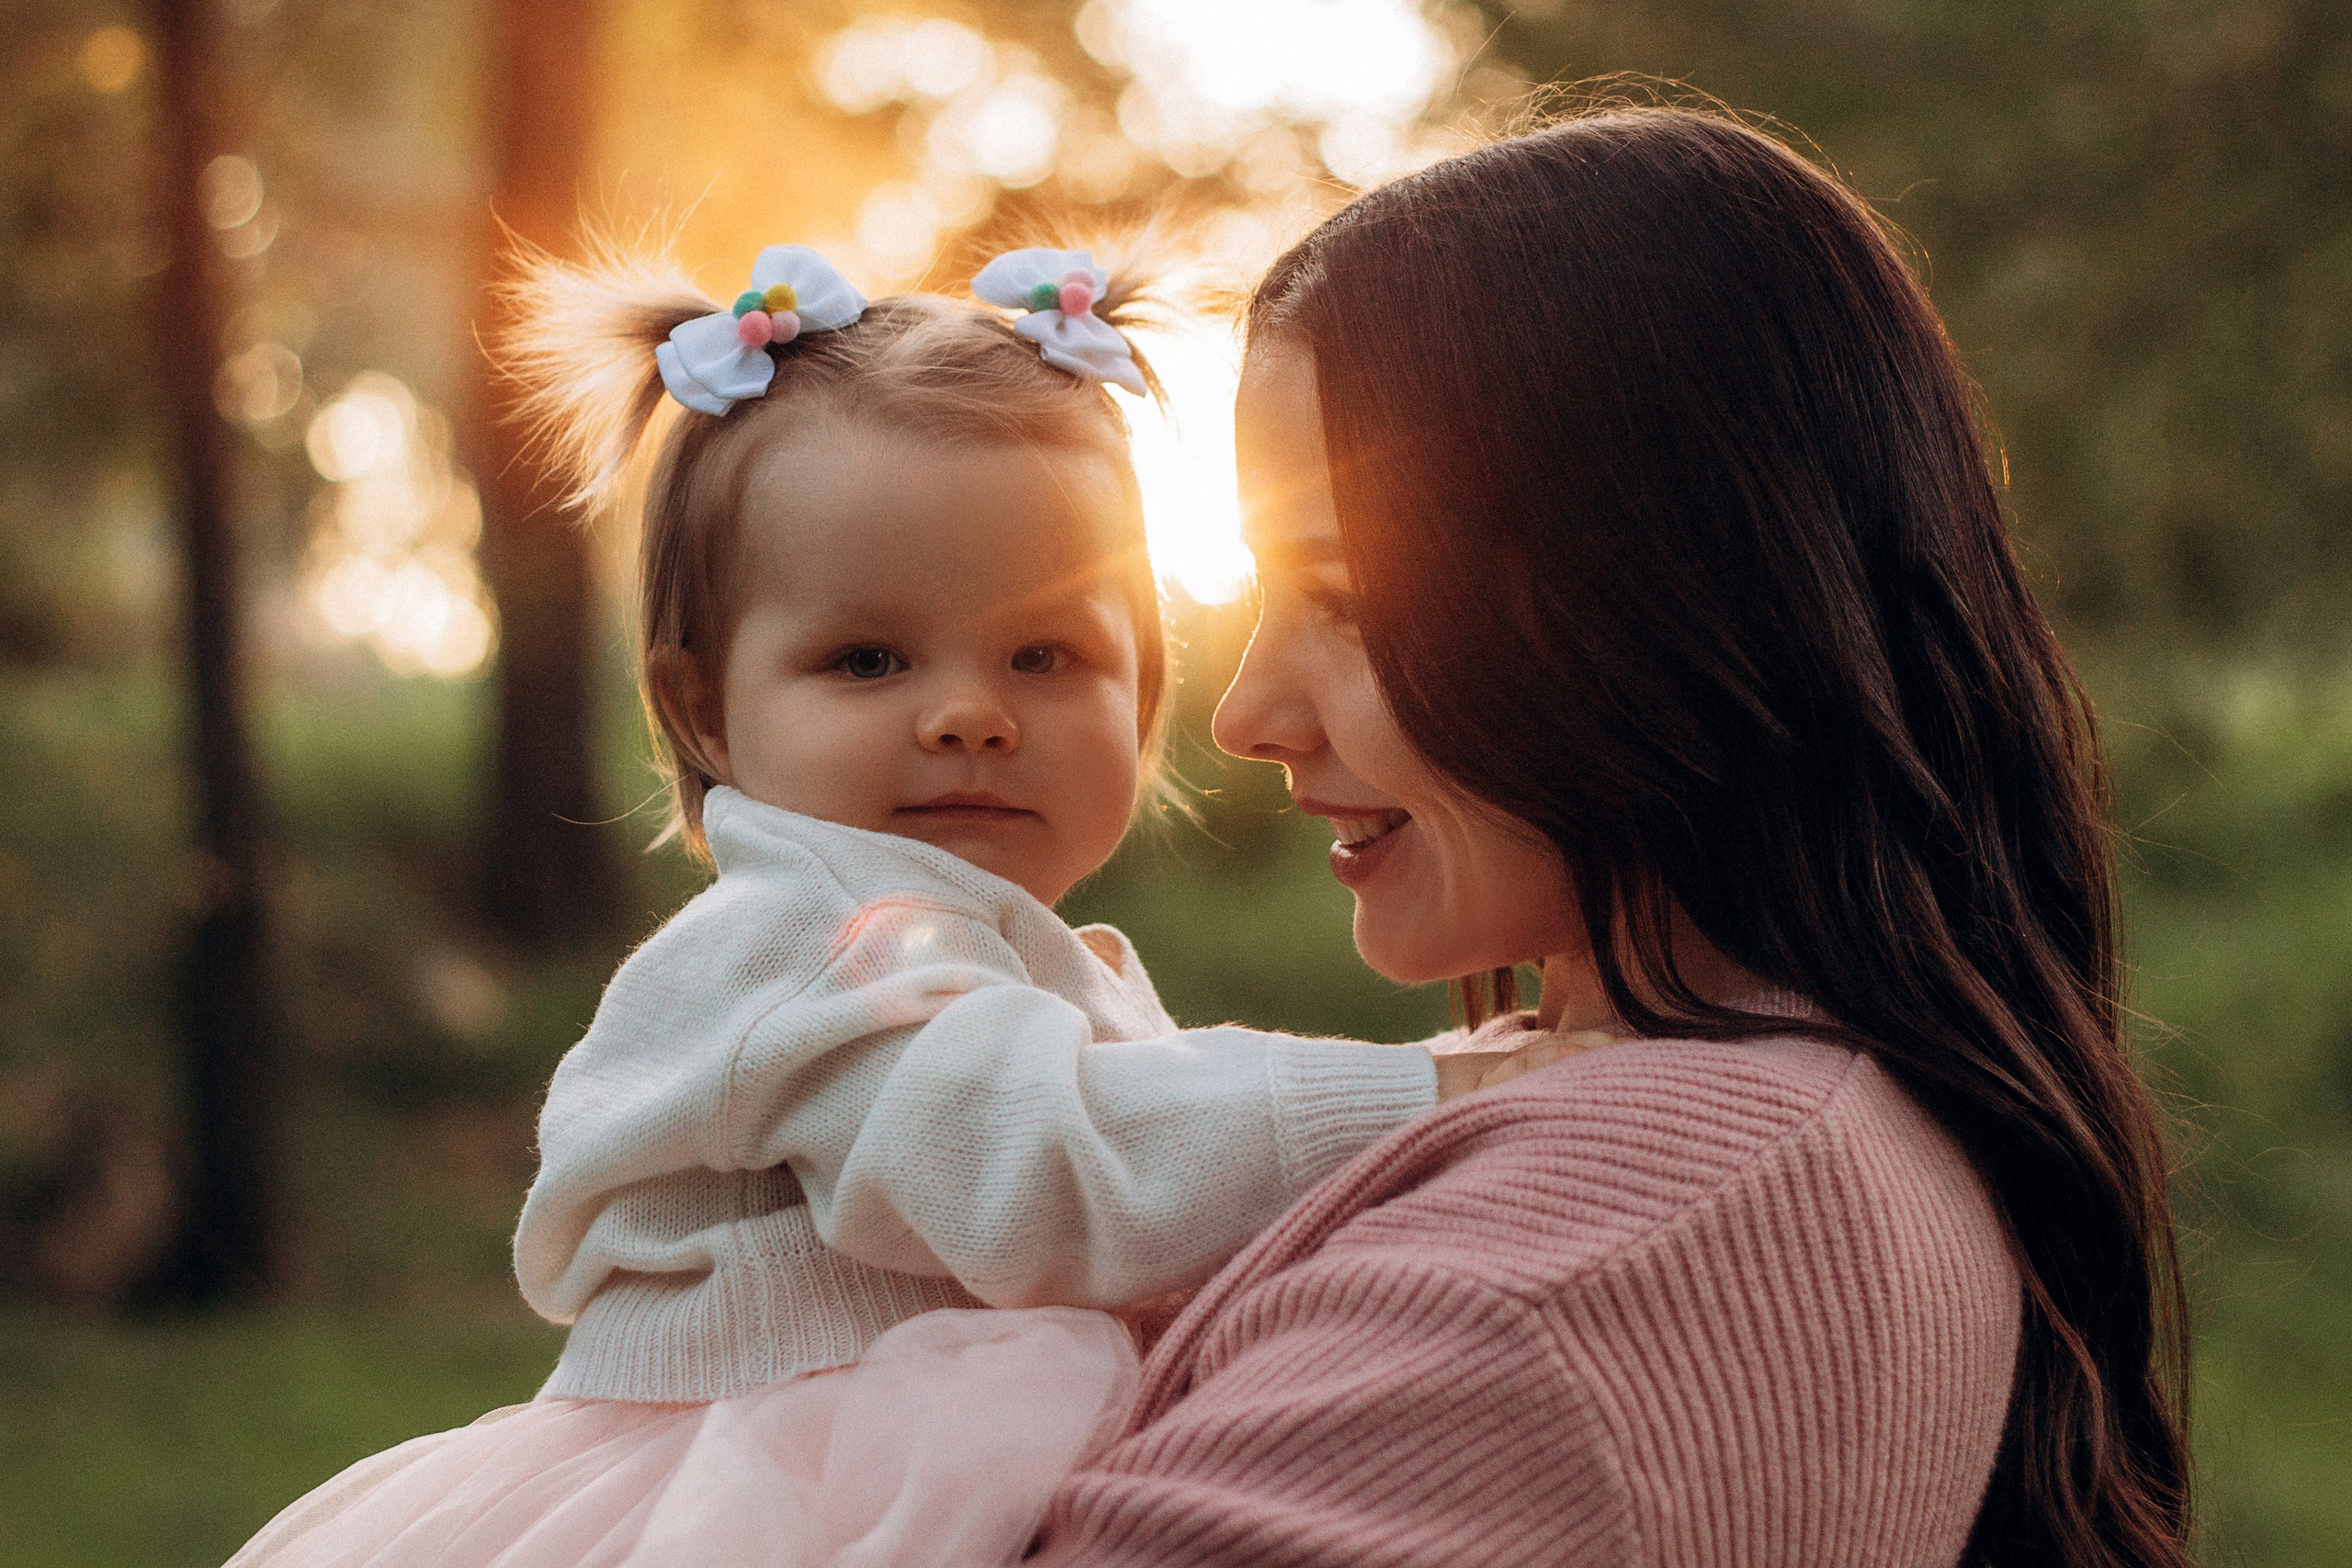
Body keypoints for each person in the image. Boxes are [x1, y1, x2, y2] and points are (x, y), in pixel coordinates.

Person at [223, 240, 1564, 1568]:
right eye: (868, 660)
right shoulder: (812, 940)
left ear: (1144, 691)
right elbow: (1037, 1167)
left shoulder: (1000, 954)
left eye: (1046, 656)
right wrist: (1432, 1096)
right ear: (703, 707)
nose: (970, 714)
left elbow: (1139, 1168)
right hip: (768, 1489)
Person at [1030, 106, 2193, 1568]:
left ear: (1663, 596)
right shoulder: (1815, 1125)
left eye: (1348, 600)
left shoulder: (1595, 1261)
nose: (1246, 714)